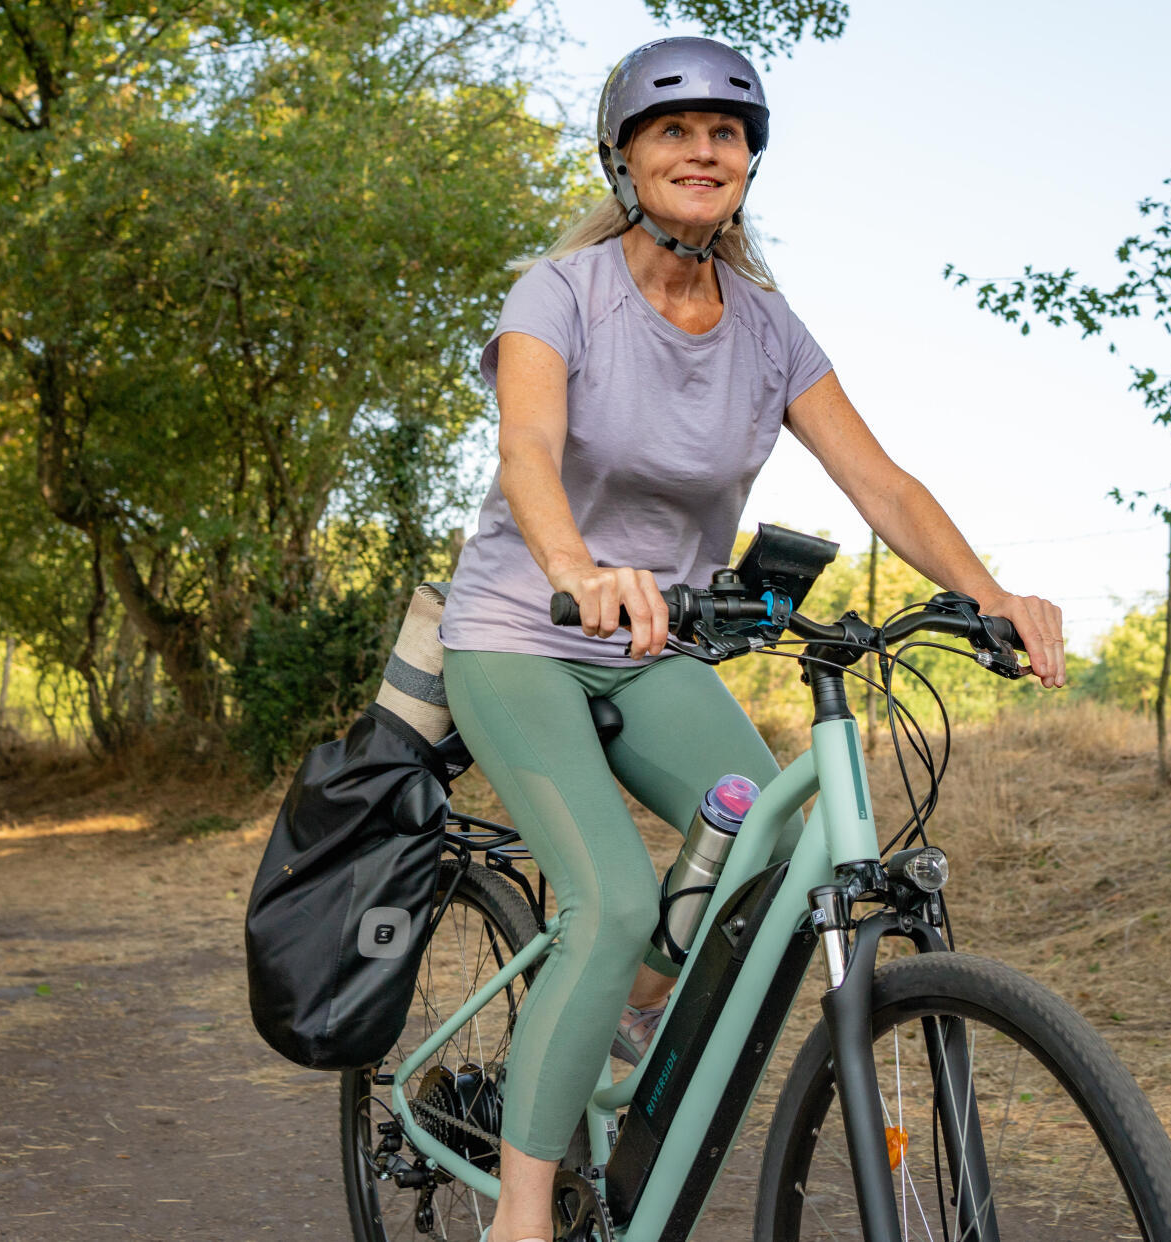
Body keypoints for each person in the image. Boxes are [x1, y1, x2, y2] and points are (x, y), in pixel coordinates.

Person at [438, 35, 1067, 1242]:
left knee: (768, 843)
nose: (702, 148)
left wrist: (991, 591)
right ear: (625, 158)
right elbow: (527, 453)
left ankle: (624, 1019)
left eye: (725, 132)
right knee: (613, 899)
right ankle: (524, 1217)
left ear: (749, 162)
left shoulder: (768, 326)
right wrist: (577, 570)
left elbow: (880, 482)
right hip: (525, 634)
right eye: (673, 130)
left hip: (656, 648)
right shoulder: (557, 294)